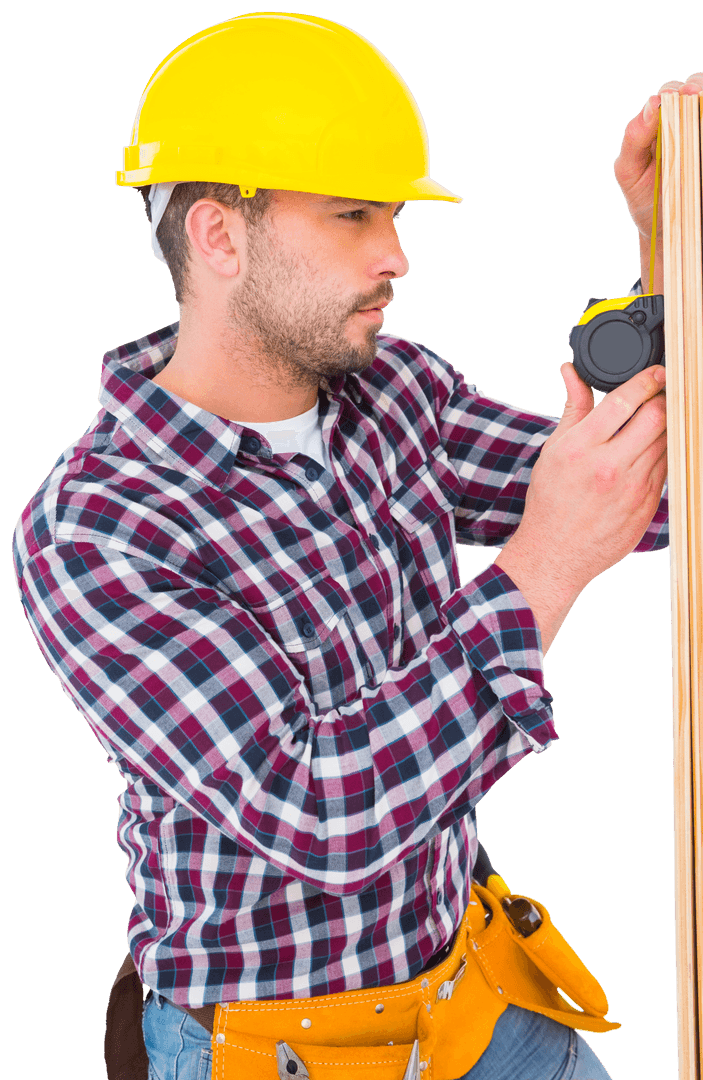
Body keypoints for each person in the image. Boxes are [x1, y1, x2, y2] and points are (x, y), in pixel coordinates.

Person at [10, 10, 701, 1079]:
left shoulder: (392, 394)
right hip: (275, 1055)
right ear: (217, 235)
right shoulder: (99, 529)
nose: (397, 254)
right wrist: (545, 565)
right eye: (352, 216)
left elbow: (655, 496)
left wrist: (674, 247)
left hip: (478, 1002)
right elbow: (318, 812)